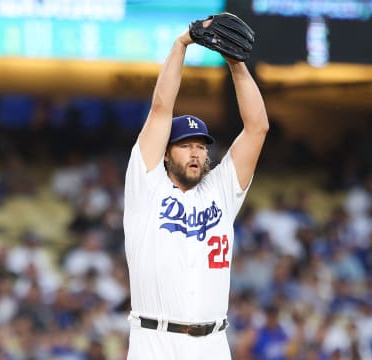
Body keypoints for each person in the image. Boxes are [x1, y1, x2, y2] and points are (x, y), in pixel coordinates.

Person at [123, 18, 269, 360]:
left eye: (202, 146)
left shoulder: (220, 190)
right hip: (155, 340)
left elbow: (257, 128)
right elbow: (161, 110)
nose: (195, 152)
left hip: (213, 343)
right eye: (185, 145)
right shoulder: (146, 186)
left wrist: (237, 65)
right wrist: (181, 44)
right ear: (165, 153)